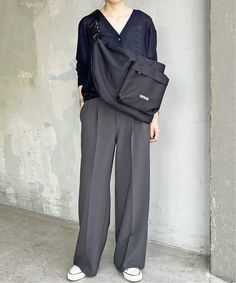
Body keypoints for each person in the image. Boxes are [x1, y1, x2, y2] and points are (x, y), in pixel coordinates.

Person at [67, 1, 160, 282]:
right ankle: (85, 260)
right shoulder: (88, 23)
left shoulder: (143, 22)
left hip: (136, 111)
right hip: (98, 109)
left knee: (134, 182)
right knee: (93, 183)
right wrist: (84, 102)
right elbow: (82, 66)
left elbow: (152, 70)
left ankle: (130, 258)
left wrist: (154, 114)